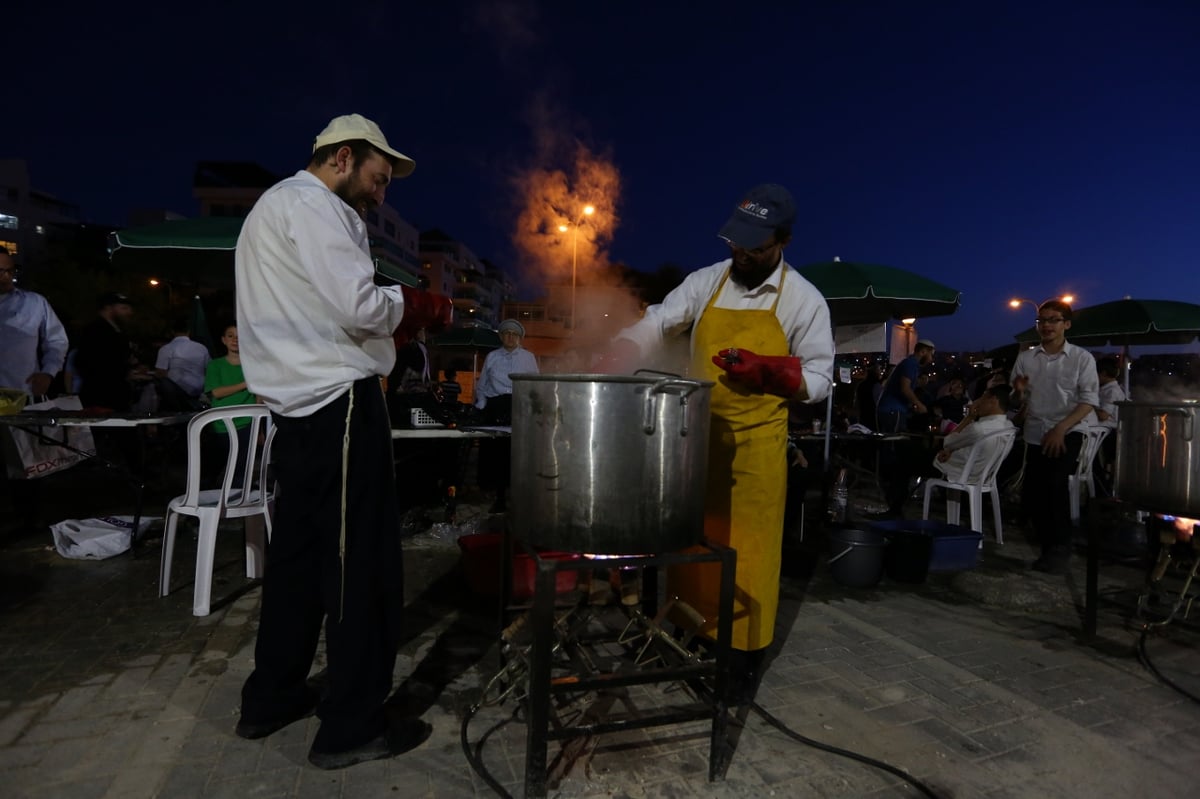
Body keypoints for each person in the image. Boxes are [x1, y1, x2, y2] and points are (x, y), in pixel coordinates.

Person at [233, 113, 433, 769]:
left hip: (293, 409)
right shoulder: (317, 207)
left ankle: (271, 696)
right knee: (361, 566)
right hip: (340, 403)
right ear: (343, 157)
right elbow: (358, 305)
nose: (382, 195)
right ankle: (350, 725)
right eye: (378, 179)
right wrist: (413, 304)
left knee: (297, 562)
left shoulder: (270, 208)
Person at [609, 183, 834, 702]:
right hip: (697, 442)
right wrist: (623, 347)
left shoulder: (803, 300)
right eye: (737, 243)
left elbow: (821, 379)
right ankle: (691, 639)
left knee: (749, 559)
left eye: (755, 248)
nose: (742, 255)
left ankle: (738, 667)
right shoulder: (708, 281)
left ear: (784, 241)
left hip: (756, 453)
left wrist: (771, 372)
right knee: (694, 550)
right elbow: (661, 319)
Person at [1011, 300, 1099, 574]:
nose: (1046, 325)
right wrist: (1019, 392)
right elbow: (1017, 400)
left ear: (1066, 324)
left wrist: (1060, 429)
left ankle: (1059, 548)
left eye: (1053, 320)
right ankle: (1048, 545)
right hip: (1036, 431)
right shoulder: (1026, 358)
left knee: (1054, 486)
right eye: (1041, 321)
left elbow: (1088, 402)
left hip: (1068, 430)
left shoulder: (1082, 358)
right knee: (1034, 493)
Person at [474, 318, 538, 513]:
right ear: (501, 336)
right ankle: (499, 497)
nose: (510, 337)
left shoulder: (528, 357)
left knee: (518, 452)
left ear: (520, 338)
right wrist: (483, 406)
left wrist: (529, 407)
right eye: (506, 333)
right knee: (497, 454)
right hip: (496, 406)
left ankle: (519, 497)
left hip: (519, 406)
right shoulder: (492, 357)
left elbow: (535, 384)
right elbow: (482, 384)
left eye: (514, 334)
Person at [0, 248, 68, 400]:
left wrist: (48, 372)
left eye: (11, 271)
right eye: (1, 271)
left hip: (22, 393)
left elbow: (57, 341)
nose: (7, 276)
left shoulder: (34, 303)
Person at [203, 323, 256, 483]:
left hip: (247, 422)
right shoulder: (215, 365)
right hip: (221, 424)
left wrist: (259, 428)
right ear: (224, 340)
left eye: (239, 337)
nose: (235, 340)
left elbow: (259, 396)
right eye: (231, 336)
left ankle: (238, 504)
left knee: (241, 471)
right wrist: (246, 384)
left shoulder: (252, 365)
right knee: (211, 471)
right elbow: (217, 392)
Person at [75, 292, 138, 412]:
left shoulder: (120, 331)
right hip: (100, 396)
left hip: (118, 396)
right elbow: (86, 362)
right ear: (108, 308)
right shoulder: (94, 330)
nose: (129, 312)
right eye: (124, 308)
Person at [876, 339, 935, 433]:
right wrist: (919, 405)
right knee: (893, 442)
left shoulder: (911, 364)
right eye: (931, 354)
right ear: (923, 351)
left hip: (892, 409)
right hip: (893, 410)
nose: (931, 359)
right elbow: (905, 388)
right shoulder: (910, 364)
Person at [154, 318, 211, 399]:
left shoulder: (166, 349)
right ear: (188, 331)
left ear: (172, 332)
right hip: (200, 391)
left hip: (177, 394)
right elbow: (209, 370)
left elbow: (160, 373)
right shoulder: (201, 348)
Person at [1092, 355, 1125, 496]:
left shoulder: (1111, 391)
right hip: (1106, 433)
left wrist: (1087, 403)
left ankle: (1100, 491)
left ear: (1103, 373)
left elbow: (1103, 415)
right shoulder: (1107, 389)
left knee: (1094, 464)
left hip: (1108, 434)